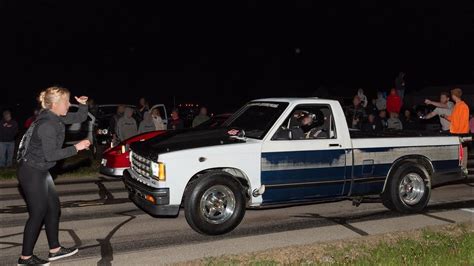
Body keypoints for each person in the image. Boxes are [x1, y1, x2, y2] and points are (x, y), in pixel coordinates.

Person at [16, 86, 90, 265]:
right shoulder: (47, 124)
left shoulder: (55, 117)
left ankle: (55, 250)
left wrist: (83, 105)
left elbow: (80, 117)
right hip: (32, 171)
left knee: (53, 208)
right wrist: (76, 148)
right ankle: (25, 258)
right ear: (55, 104)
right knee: (38, 212)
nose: (69, 104)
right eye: (66, 101)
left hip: (41, 170)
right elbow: (51, 155)